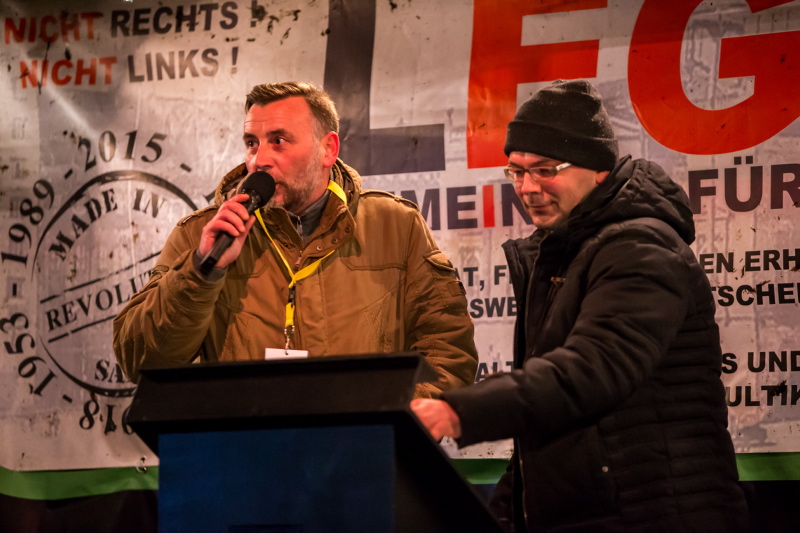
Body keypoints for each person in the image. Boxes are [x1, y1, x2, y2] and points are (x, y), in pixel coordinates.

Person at [411, 80, 749, 532]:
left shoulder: (640, 246)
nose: (527, 188)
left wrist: (458, 411)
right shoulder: (561, 253)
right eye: (516, 172)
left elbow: (595, 366)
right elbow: (545, 429)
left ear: (599, 170)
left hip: (656, 513)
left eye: (545, 170)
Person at [113, 81, 478, 399]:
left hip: (365, 450)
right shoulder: (202, 235)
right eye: (252, 143)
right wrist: (201, 271)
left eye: (279, 141)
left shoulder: (395, 225)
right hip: (247, 453)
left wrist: (392, 422)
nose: (259, 160)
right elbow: (140, 361)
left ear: (328, 149)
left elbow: (448, 349)